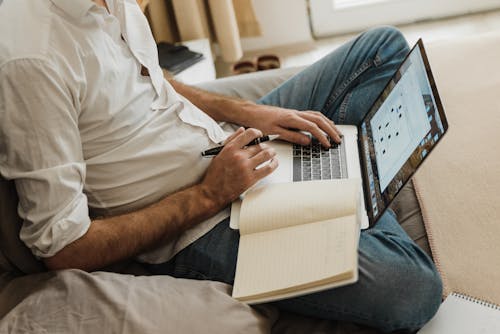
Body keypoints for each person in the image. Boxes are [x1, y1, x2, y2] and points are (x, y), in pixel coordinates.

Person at [0, 0, 442, 331]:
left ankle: (344, 184)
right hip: (198, 224)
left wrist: (250, 113)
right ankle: (355, 188)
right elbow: (63, 248)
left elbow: (149, 79)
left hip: (224, 142)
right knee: (412, 289)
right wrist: (210, 194)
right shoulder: (32, 61)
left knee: (382, 47)